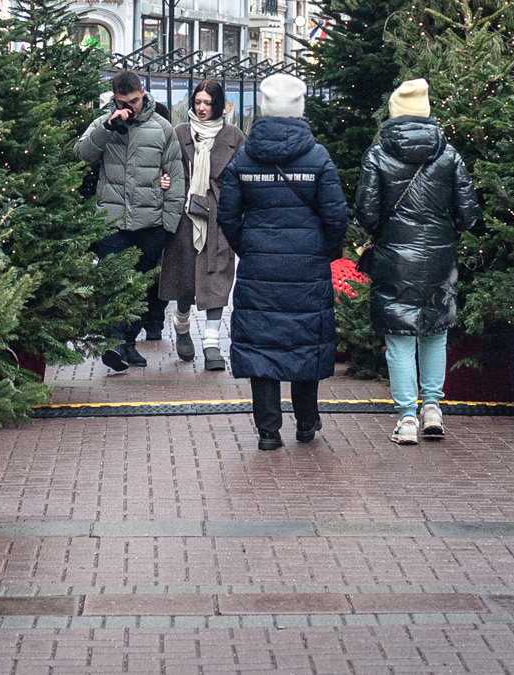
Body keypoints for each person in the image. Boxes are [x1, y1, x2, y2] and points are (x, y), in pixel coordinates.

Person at [218, 72, 348, 450]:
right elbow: (336, 216)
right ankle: (306, 423)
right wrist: (322, 249)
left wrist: (250, 248)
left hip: (260, 265)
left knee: (262, 344)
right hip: (307, 265)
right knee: (306, 339)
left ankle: (268, 431)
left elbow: (227, 215)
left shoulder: (244, 156)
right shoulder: (317, 156)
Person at [356, 78, 481, 446]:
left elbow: (366, 213)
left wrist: (384, 232)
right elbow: (469, 213)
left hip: (394, 257)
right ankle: (432, 409)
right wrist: (444, 231)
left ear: (394, 115)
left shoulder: (377, 155)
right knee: (435, 332)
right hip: (439, 257)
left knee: (398, 339)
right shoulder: (449, 154)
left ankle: (407, 417)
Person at [75, 70, 181, 372]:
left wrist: (168, 224)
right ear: (115, 98)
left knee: (140, 289)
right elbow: (81, 155)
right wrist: (107, 128)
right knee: (113, 284)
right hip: (112, 222)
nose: (131, 106)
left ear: (143, 92)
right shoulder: (103, 124)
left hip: (151, 224)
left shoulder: (162, 128)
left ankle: (127, 344)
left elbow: (175, 176)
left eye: (135, 100)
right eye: (124, 101)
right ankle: (116, 341)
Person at [158, 79, 243, 369]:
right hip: (185, 216)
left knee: (217, 278)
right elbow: (164, 168)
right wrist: (166, 182)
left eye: (208, 103)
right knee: (184, 280)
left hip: (219, 219)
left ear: (218, 105)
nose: (202, 108)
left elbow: (241, 179)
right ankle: (182, 326)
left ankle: (211, 344)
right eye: (198, 102)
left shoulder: (234, 137)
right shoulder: (179, 133)